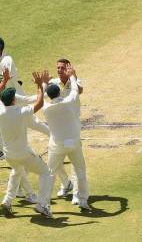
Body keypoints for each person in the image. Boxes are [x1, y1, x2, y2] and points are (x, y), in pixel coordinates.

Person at [0, 69, 54, 218]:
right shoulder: (21, 111)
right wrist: (40, 85)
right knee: (46, 173)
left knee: (17, 172)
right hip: (23, 153)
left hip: (9, 155)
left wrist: (3, 81)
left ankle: (7, 201)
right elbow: (40, 102)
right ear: (14, 100)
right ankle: (42, 205)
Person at [42, 61, 90, 210]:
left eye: (62, 67)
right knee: (78, 168)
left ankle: (47, 202)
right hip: (70, 135)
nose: (60, 70)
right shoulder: (68, 99)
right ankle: (70, 188)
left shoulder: (46, 107)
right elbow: (75, 92)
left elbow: (42, 97)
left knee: (50, 171)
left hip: (65, 132)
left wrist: (42, 84)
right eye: (58, 68)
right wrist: (72, 78)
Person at [0, 36, 49, 138]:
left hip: (15, 97)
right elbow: (2, 80)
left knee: (32, 123)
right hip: (8, 96)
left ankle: (45, 91)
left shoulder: (6, 60)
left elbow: (5, 78)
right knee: (29, 122)